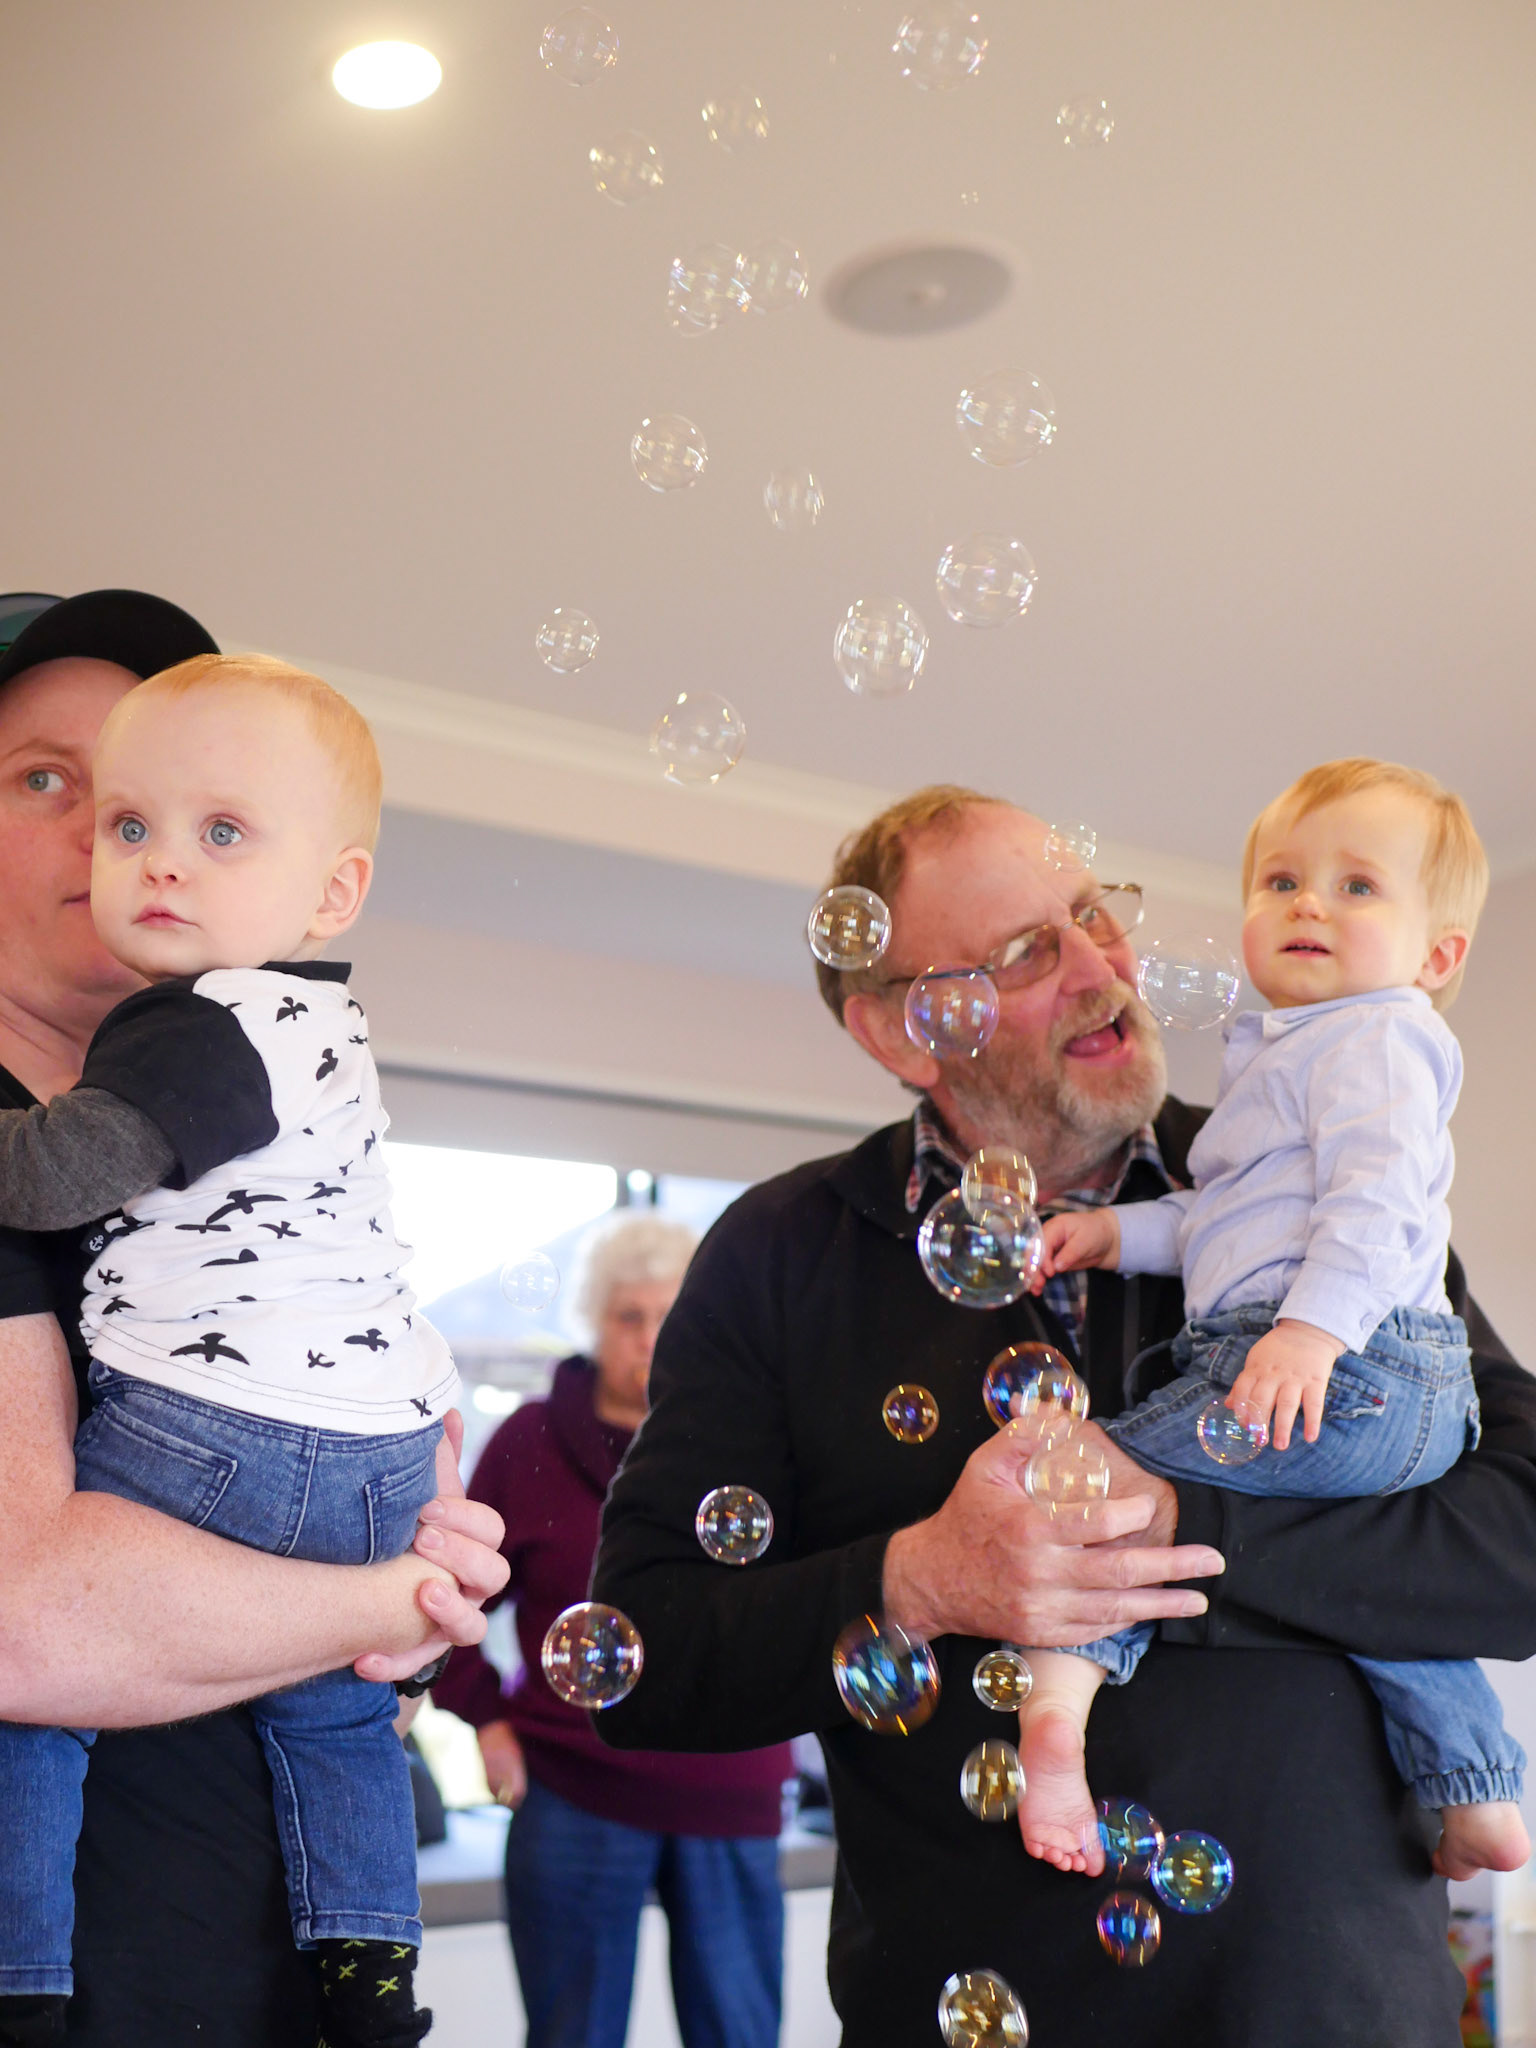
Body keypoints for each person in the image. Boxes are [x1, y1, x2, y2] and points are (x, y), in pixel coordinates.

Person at [591, 784, 1536, 2048]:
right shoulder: (780, 1252)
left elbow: (1519, 1539)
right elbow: (646, 1651)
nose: (1101, 967)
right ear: (903, 1028)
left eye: (1094, 913)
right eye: (1029, 950)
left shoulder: (1314, 1190)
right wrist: (921, 1581)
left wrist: (1184, 1522)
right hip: (968, 2011)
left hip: (1332, 2008)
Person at [0, 590, 507, 2048]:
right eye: (56, 783)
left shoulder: (262, 1128)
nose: (138, 842)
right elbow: (30, 1625)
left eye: (214, 819)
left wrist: (429, 1578)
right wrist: (390, 1600)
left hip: (256, 1981)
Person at [1019, 758, 1528, 1880]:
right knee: (1349, 1579)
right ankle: (1477, 1784)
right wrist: (1115, 1234)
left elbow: (1379, 1205)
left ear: (1437, 958)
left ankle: (1054, 1717)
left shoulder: (1376, 1038)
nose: (1310, 905)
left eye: (1358, 886)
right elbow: (1219, 1221)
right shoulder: (1297, 1056)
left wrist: (1312, 1333)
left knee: (1084, 1483)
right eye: (1283, 880)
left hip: (1352, 1364)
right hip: (1367, 1381)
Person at [433, 1211, 794, 2048]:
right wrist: (485, 1718)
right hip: (573, 1785)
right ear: (595, 1323)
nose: (651, 1336)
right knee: (571, 2036)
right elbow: (449, 1603)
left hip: (732, 1783)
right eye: (631, 1315)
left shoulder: (755, 1437)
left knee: (740, 2034)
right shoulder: (530, 1439)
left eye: (672, 1314)